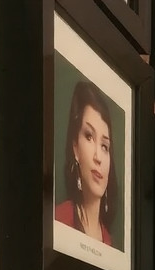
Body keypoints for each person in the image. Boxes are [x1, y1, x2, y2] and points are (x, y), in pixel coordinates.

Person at [54, 80, 118, 247]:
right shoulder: (59, 219)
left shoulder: (108, 243)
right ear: (75, 147)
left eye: (105, 146)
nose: (98, 157)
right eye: (89, 136)